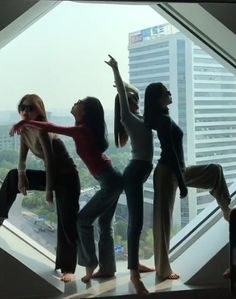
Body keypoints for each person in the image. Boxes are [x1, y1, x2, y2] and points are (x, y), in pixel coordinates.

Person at [11, 96, 123, 283]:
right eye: (22, 108)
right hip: (110, 180)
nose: (75, 102)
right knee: (105, 226)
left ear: (85, 112)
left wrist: (21, 123)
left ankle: (90, 265)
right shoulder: (83, 129)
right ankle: (108, 269)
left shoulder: (80, 130)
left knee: (82, 221)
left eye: (80, 102)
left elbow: (51, 127)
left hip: (110, 181)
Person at [143, 82, 232, 280]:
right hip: (168, 172)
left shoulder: (163, 117)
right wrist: (182, 184)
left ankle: (226, 210)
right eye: (166, 92)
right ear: (158, 98)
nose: (170, 92)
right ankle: (163, 270)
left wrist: (181, 178)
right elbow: (171, 153)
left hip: (177, 171)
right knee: (163, 222)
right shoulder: (163, 121)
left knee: (214, 171)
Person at [4, 94, 80, 283]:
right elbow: (22, 159)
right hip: (52, 174)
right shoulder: (25, 130)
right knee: (13, 175)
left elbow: (52, 163)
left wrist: (48, 193)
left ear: (39, 110)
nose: (25, 112)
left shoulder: (43, 131)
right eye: (22, 108)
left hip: (67, 178)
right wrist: (22, 178)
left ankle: (68, 268)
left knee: (66, 223)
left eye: (30, 108)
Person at [105, 55, 153, 294]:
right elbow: (125, 97)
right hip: (134, 174)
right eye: (131, 99)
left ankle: (136, 265)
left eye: (135, 99)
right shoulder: (128, 119)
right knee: (136, 225)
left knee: (138, 223)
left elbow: (132, 91)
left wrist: (125, 86)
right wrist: (116, 70)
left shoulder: (141, 119)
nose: (134, 100)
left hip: (140, 174)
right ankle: (134, 274)